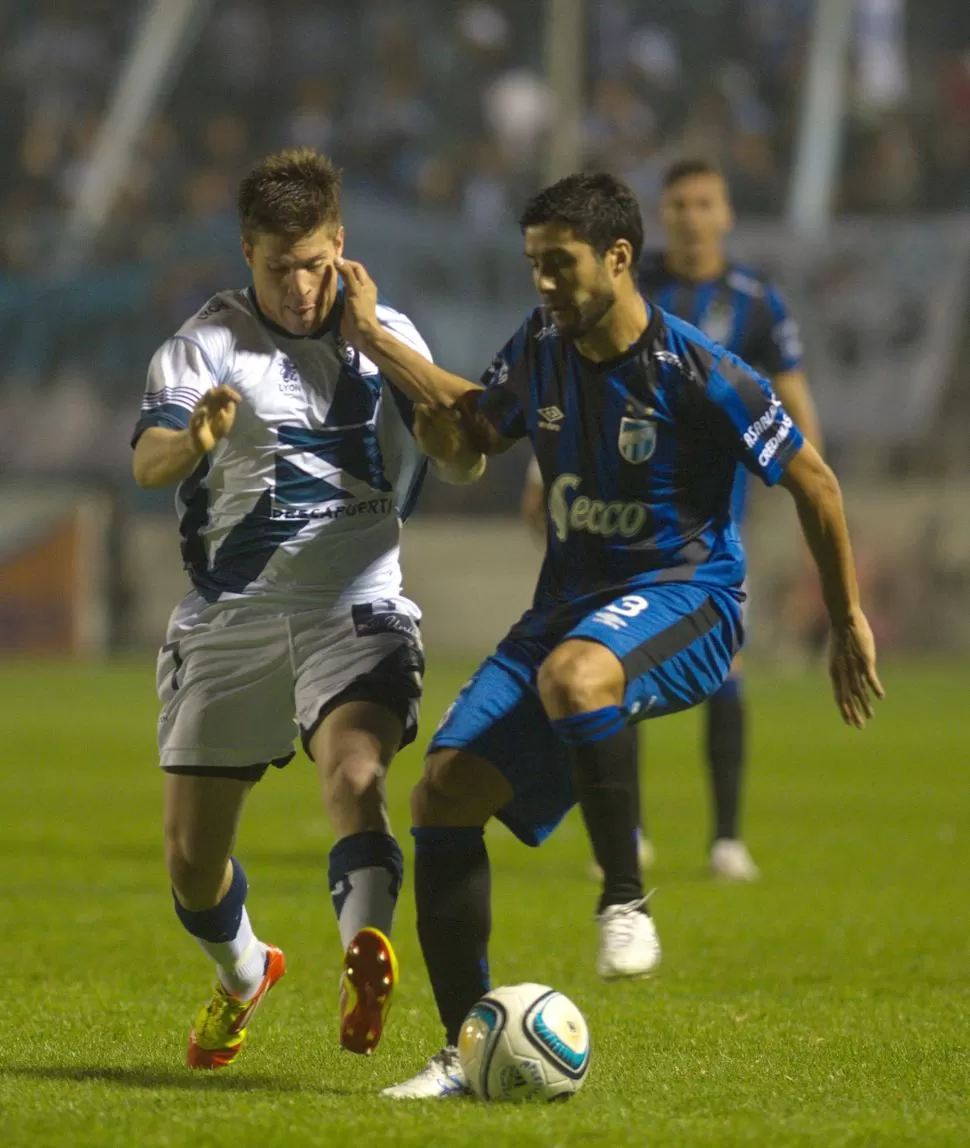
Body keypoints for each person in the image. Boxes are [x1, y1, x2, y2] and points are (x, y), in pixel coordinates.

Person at [336, 171, 882, 1098]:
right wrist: (376, 340)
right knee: (441, 794)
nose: (544, 283)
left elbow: (816, 483)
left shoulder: (703, 371)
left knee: (577, 677)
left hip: (689, 598)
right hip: (567, 608)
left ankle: (625, 900)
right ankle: (464, 1053)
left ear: (618, 258)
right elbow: (478, 423)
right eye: (534, 264)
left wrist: (846, 617)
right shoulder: (540, 345)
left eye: (561, 264)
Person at [130, 148, 460, 1069]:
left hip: (354, 607)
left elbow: (463, 454)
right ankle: (246, 972)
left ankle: (364, 953)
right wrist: (192, 441)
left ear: (340, 244)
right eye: (280, 267)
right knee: (192, 864)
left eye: (316, 264)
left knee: (356, 775)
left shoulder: (388, 336)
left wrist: (386, 350)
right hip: (231, 619)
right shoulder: (206, 344)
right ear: (248, 253)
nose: (302, 287)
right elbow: (148, 459)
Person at [522, 157, 823, 881]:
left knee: (725, 665)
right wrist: (539, 473)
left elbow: (793, 399)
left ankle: (726, 838)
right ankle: (630, 832)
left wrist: (809, 482)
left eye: (704, 203)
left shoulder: (757, 302)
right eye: (680, 204)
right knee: (613, 663)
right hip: (619, 504)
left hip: (711, 515)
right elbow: (572, 380)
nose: (691, 217)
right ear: (663, 213)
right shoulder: (631, 281)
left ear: (726, 214)